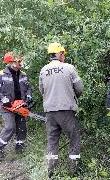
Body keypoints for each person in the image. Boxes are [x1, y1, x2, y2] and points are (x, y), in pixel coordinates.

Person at [39, 43, 84, 177]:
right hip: (66, 110)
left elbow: (42, 90)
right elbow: (80, 88)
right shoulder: (69, 68)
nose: (64, 56)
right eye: (63, 53)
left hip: (50, 111)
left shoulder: (43, 70)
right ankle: (74, 171)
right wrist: (73, 97)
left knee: (52, 140)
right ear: (59, 54)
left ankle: (51, 171)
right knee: (74, 137)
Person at [0, 52, 33, 160]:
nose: (20, 64)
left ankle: (20, 148)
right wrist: (3, 98)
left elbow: (28, 88)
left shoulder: (23, 74)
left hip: (20, 105)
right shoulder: (1, 75)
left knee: (22, 128)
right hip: (6, 106)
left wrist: (29, 97)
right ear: (11, 63)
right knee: (10, 127)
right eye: (18, 62)